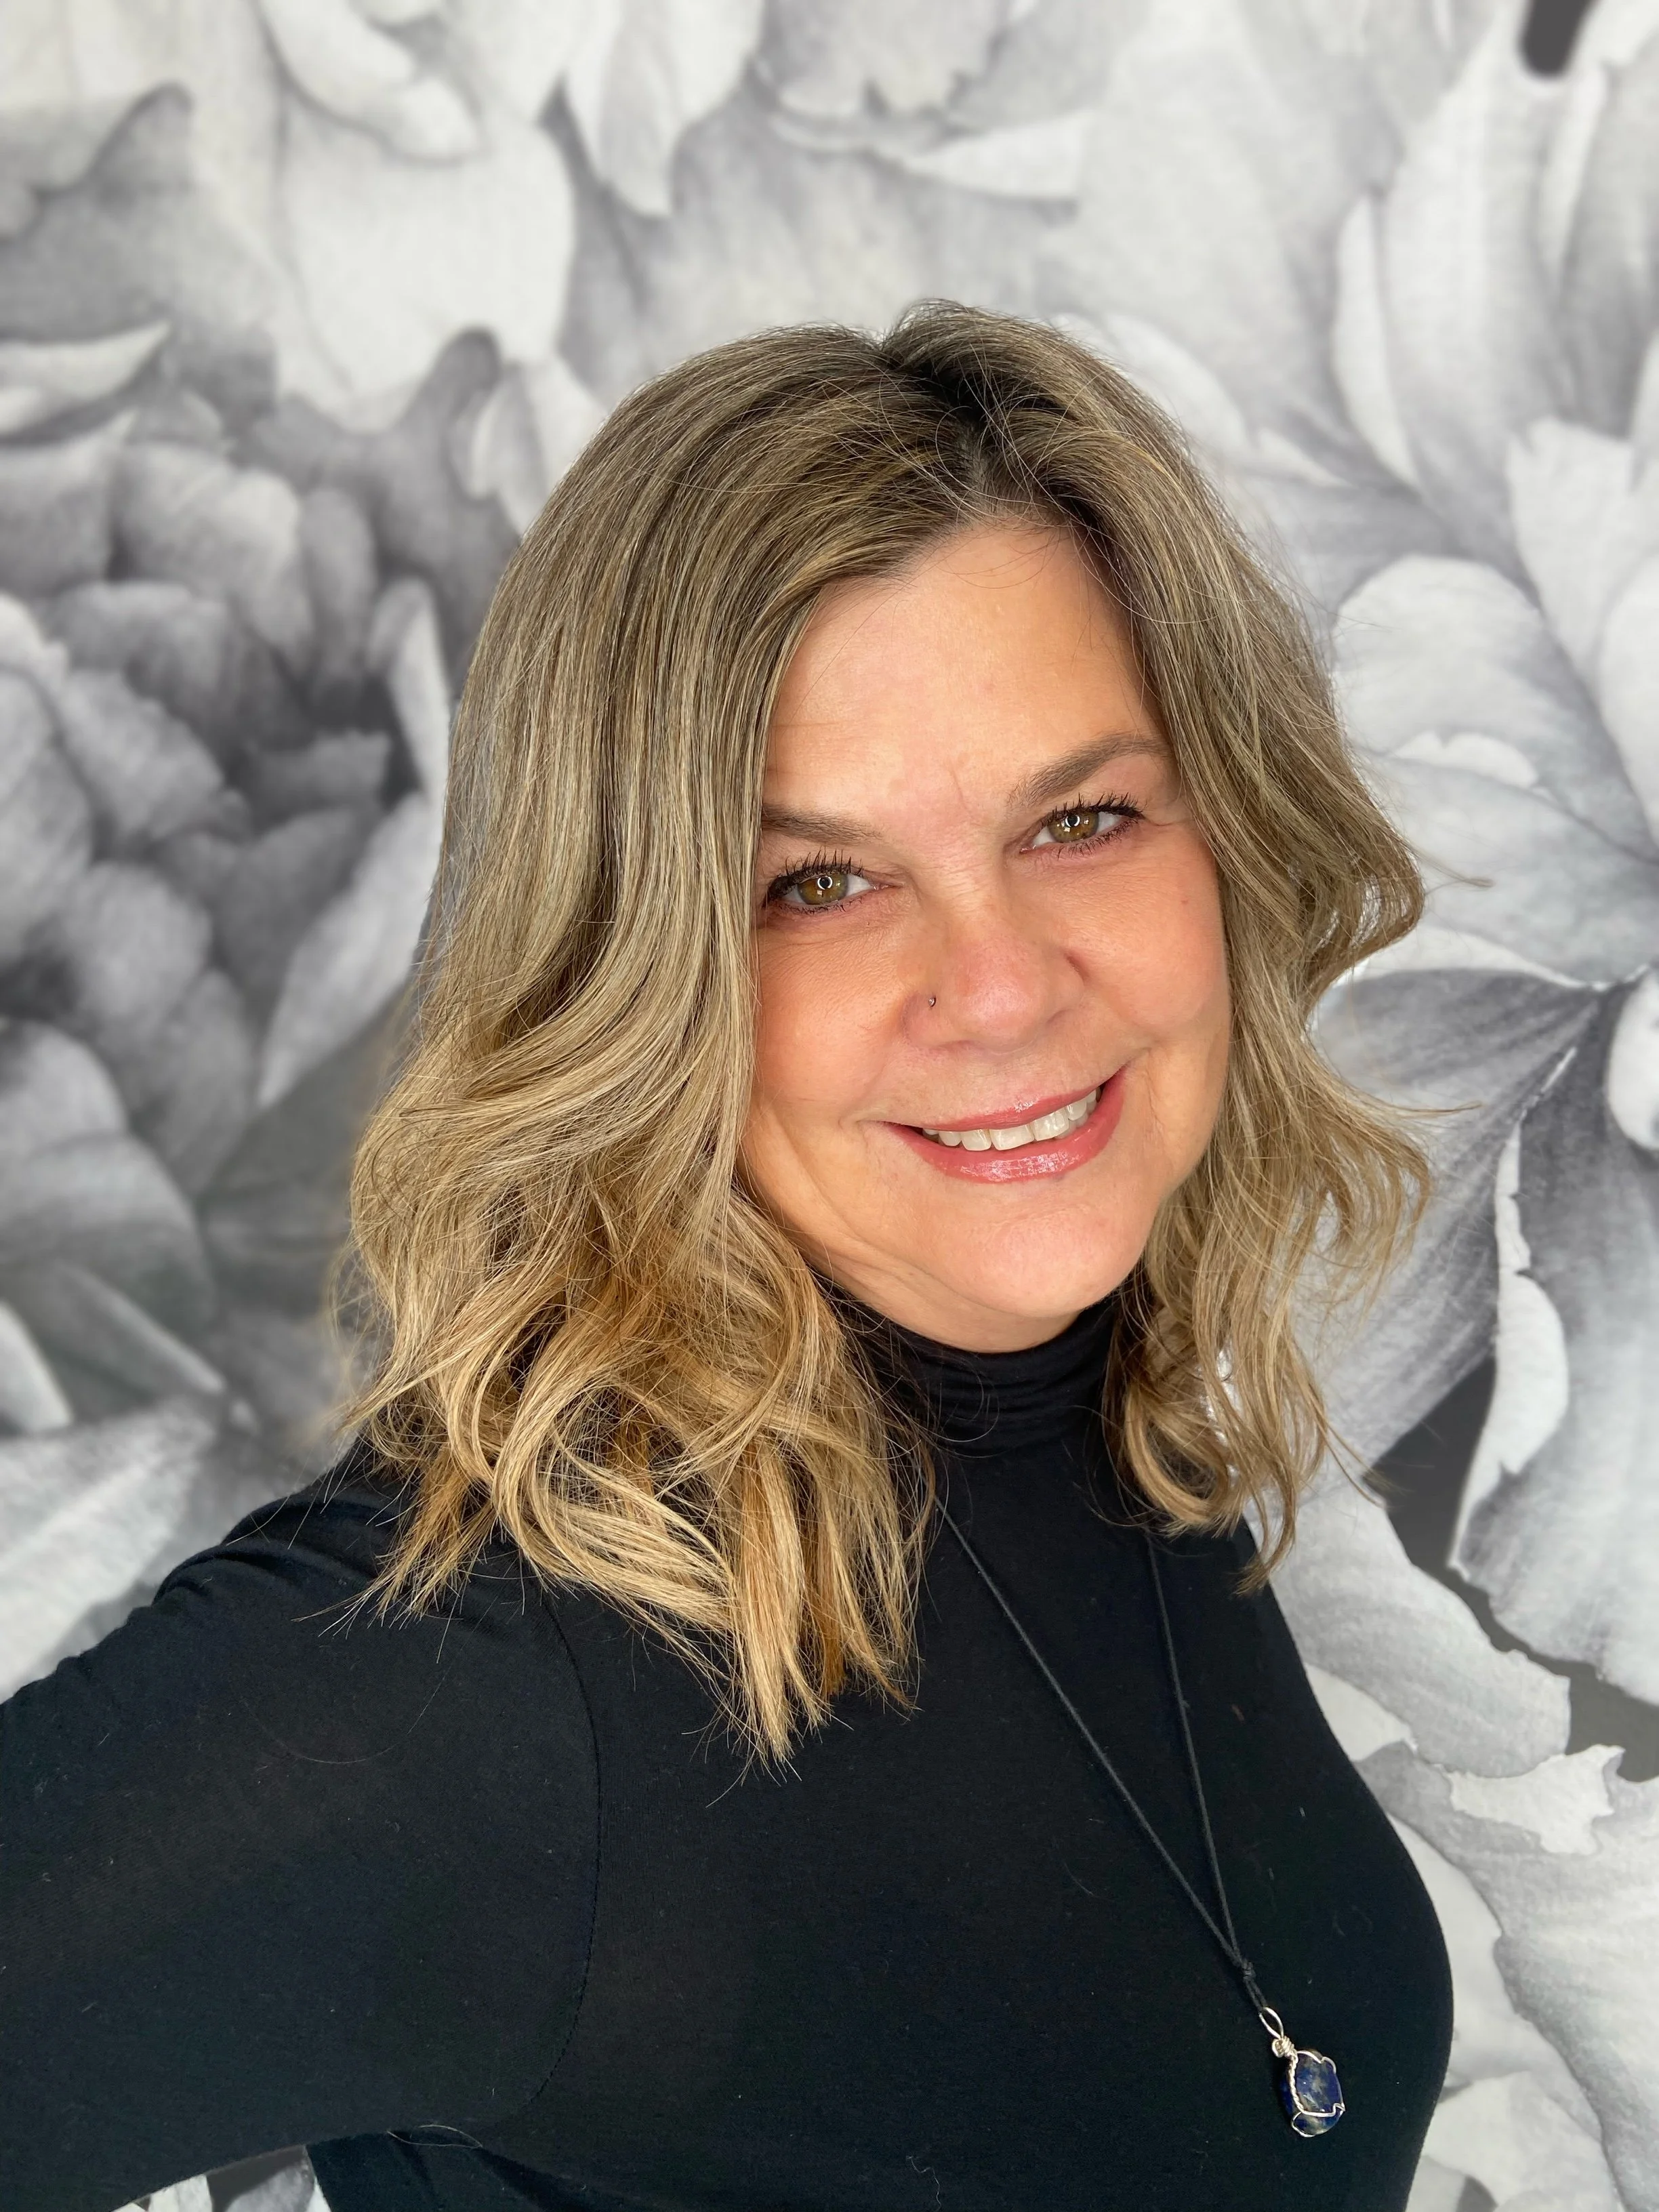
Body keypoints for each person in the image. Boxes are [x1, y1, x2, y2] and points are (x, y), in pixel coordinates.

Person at [0, 303, 1452, 2212]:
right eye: (819, 883)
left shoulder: (1111, 1411)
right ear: (638, 967)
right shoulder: (473, 1695)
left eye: (1083, 818)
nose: (1003, 987)